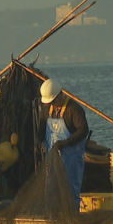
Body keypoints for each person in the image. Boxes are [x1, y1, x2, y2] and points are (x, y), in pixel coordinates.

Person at [37, 79, 89, 207]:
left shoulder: (74, 109)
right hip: (52, 157)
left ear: (60, 94)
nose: (53, 104)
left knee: (70, 192)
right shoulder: (47, 109)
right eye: (50, 102)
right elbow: (42, 126)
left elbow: (83, 130)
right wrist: (39, 142)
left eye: (54, 101)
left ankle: (71, 218)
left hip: (70, 159)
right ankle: (51, 217)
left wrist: (66, 143)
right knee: (50, 189)